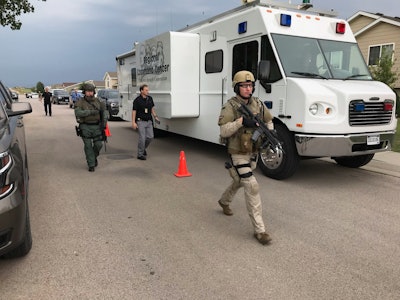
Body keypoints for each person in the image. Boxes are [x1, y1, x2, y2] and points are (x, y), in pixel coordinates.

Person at [217, 70, 275, 245]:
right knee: (252, 185)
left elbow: (269, 120)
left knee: (238, 181)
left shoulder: (258, 104)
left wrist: (271, 132)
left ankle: (224, 201)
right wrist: (241, 122)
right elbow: (224, 130)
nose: (248, 89)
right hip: (237, 152)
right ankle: (260, 230)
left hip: (253, 151)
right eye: (244, 86)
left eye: (250, 85)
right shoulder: (230, 106)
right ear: (237, 87)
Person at [74, 83, 108, 172]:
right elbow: (78, 113)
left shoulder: (98, 101)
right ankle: (91, 164)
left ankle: (93, 157)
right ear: (84, 92)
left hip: (97, 126)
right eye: (88, 91)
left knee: (98, 145)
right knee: (88, 146)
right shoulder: (80, 102)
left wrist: (104, 122)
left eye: (91, 91)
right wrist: (90, 112)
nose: (90, 93)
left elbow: (104, 111)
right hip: (85, 126)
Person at [131, 84, 159, 160]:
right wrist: (133, 122)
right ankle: (140, 154)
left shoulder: (150, 98)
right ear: (141, 91)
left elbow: (152, 109)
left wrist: (155, 116)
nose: (148, 91)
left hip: (149, 121)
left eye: (148, 90)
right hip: (140, 121)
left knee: (150, 137)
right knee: (142, 138)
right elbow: (134, 111)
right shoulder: (137, 100)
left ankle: (143, 149)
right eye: (146, 90)